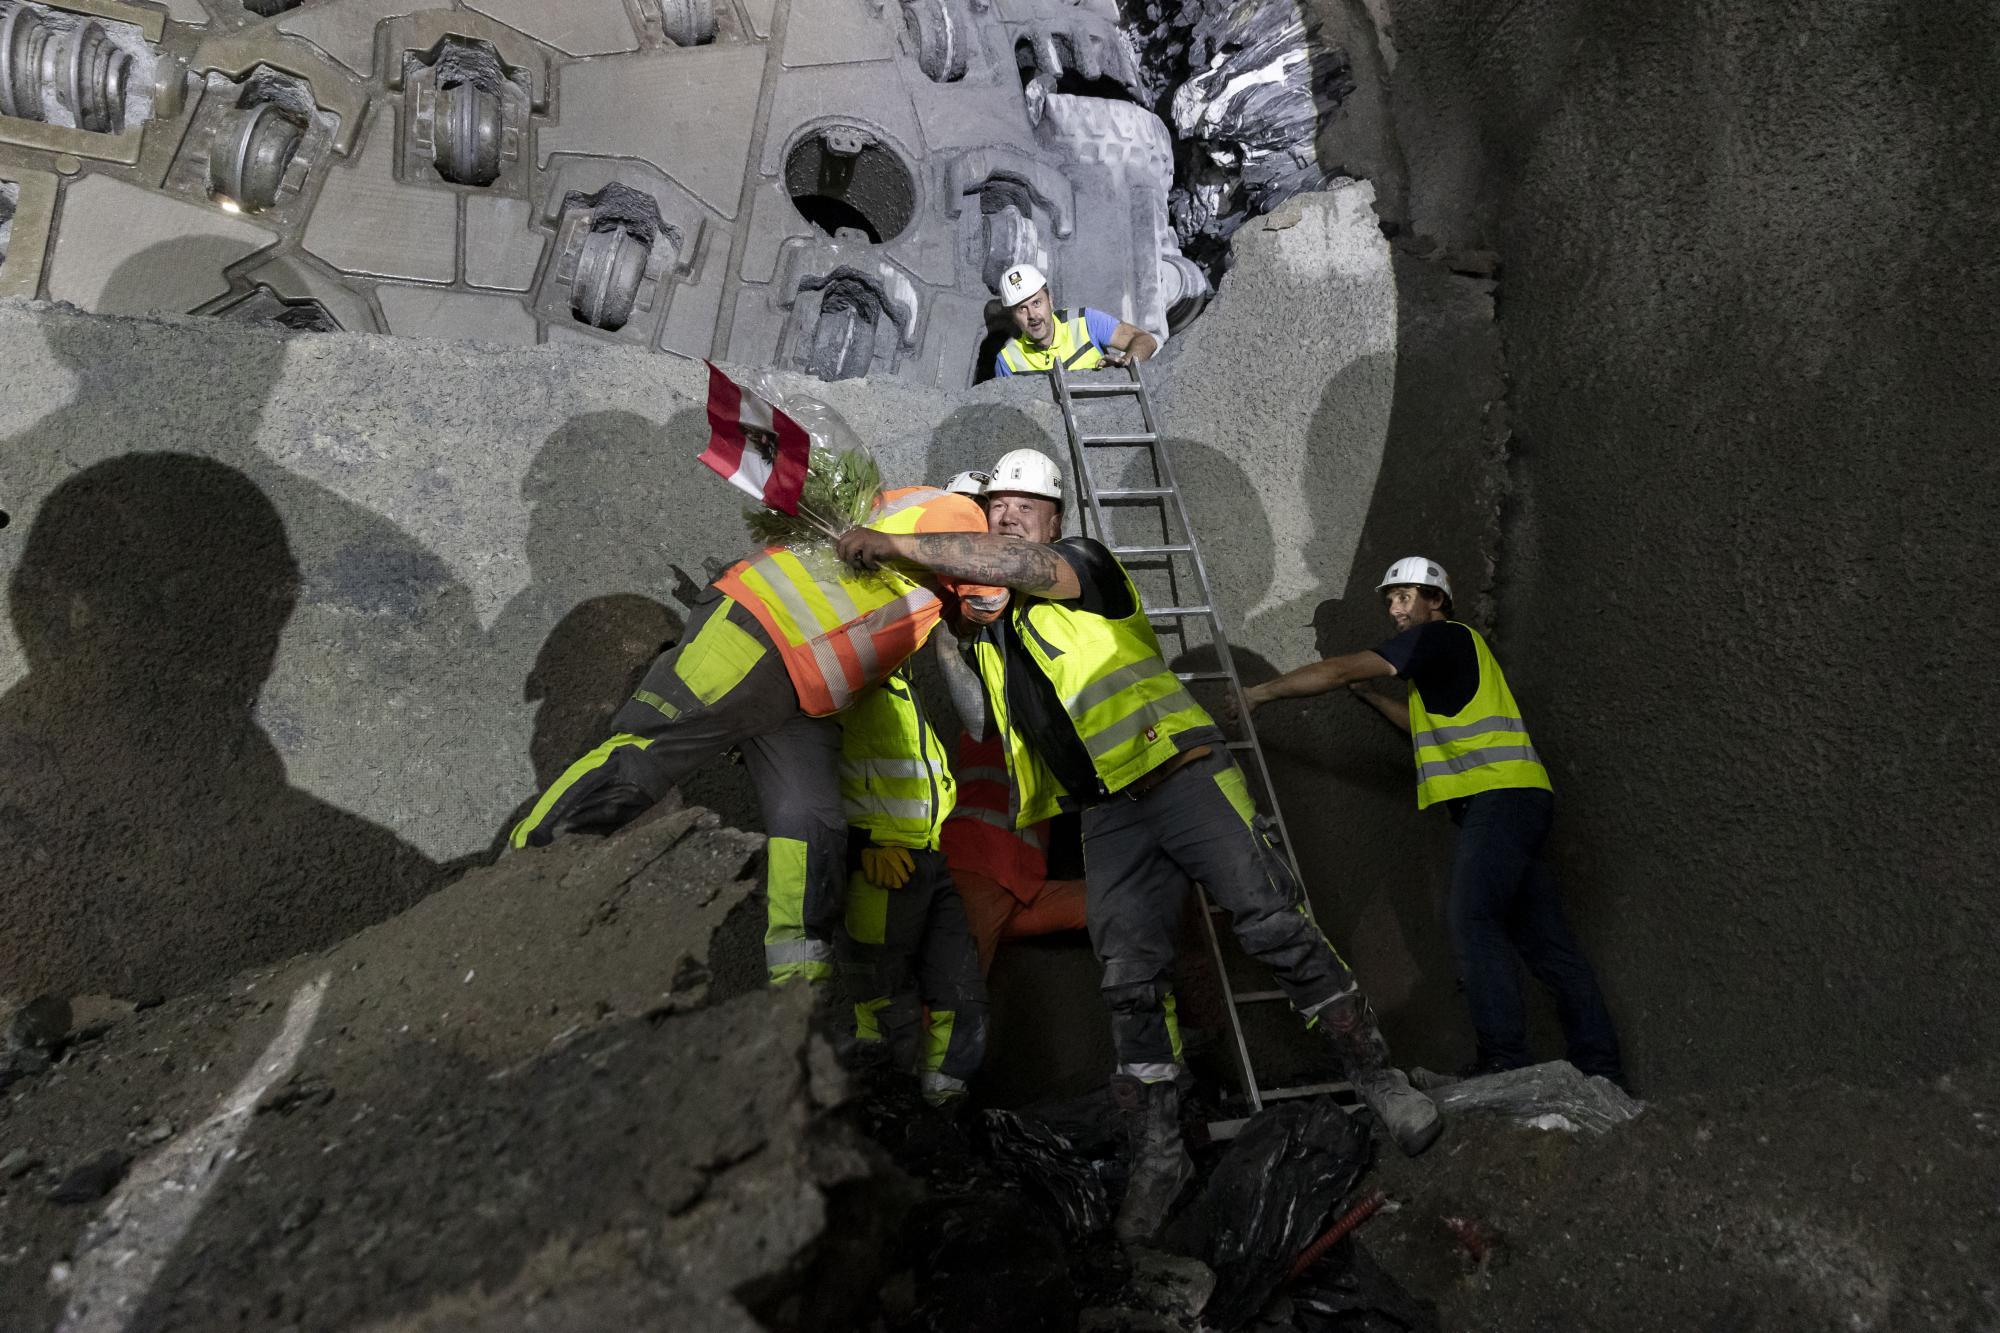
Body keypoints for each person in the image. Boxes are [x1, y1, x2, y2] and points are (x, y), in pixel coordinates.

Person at [835, 449, 1441, 1245]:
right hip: (1106, 813)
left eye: (1025, 504)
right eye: (997, 506)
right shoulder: (999, 625)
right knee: (1127, 975)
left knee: (1268, 918)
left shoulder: (1082, 565)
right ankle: (1160, 1153)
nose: (1009, 515)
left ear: (1053, 518)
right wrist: (952, 620)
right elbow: (977, 719)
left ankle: (1380, 1080)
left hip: (1179, 769)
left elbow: (1016, 562)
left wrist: (899, 546)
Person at [509, 483, 1006, 987]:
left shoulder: (909, 526)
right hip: (760, 629)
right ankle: (523, 875)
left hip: (804, 689)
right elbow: (988, 590)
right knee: (654, 750)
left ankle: (798, 989)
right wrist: (971, 618)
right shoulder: (963, 513)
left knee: (811, 822)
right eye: (1008, 509)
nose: (1010, 521)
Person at [1240, 557, 1624, 1086]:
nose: (1395, 609)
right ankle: (1603, 1070)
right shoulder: (1447, 658)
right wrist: (1375, 700)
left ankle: (1504, 1061)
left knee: (1470, 918)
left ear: (1436, 601)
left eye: (1406, 597)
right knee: (1547, 943)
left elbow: (1342, 669)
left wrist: (1257, 694)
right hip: (1513, 801)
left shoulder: (1440, 638)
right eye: (1390, 599)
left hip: (1500, 801)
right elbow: (1423, 729)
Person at [836, 667, 988, 1106]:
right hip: (876, 865)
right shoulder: (839, 679)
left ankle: (943, 1117)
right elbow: (800, 778)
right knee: (887, 1008)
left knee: (960, 997)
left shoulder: (900, 682)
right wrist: (857, 847)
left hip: (926, 858)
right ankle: (883, 1122)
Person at [992, 264, 1158, 378]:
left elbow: (1146, 340)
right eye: (1022, 308)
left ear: (1050, 300)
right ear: (1013, 316)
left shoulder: (1085, 321)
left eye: (1037, 303)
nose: (1032, 315)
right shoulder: (1007, 360)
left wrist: (1125, 364)